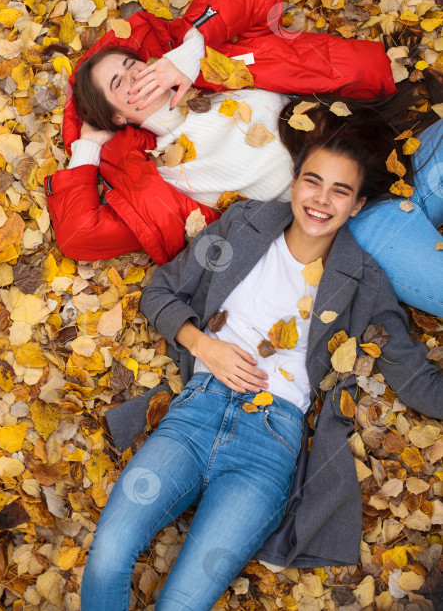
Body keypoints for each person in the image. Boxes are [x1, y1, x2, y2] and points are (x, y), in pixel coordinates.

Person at [79, 115, 443, 611]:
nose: (320, 199)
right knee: (107, 557)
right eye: (312, 181)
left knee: (182, 603)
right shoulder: (242, 225)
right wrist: (203, 345)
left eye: (339, 191)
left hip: (267, 448)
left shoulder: (363, 280)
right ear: (294, 182)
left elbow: (414, 375)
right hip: (193, 418)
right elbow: (161, 289)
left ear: (356, 205)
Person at [45, 0, 443, 315]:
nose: (136, 75)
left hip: (399, 155)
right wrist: (90, 144)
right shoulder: (161, 181)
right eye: (120, 83)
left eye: (132, 64)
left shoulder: (216, 66)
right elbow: (79, 235)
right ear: (118, 116)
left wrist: (185, 56)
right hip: (361, 224)